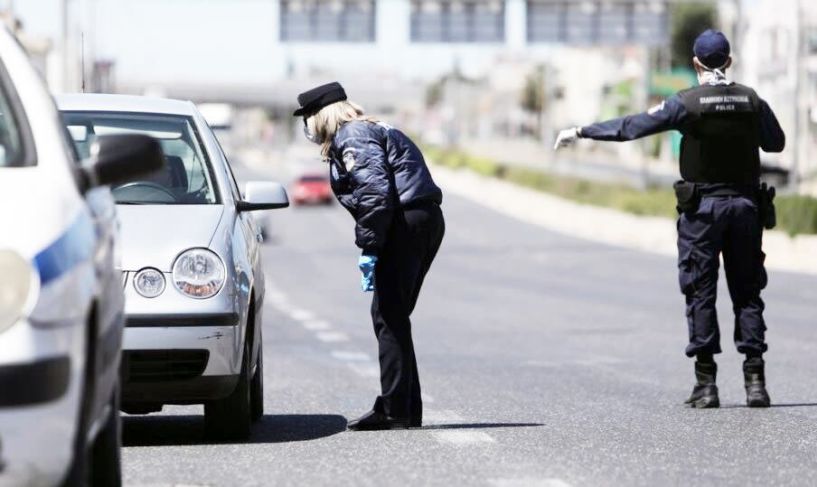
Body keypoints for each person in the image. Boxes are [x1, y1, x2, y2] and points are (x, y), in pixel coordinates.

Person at [553, 30, 785, 408]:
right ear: (729, 61)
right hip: (745, 208)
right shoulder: (751, 100)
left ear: (696, 63)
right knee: (747, 292)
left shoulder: (687, 104)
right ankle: (755, 382)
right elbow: (775, 143)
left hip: (703, 212)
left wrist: (582, 131)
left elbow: (633, 127)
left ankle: (706, 386)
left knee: (701, 291)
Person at [293, 82, 445, 429]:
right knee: (393, 316)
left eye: (308, 117)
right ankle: (404, 407)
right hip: (420, 218)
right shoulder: (371, 128)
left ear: (321, 115)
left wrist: (370, 247)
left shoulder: (353, 136)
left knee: (389, 317)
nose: (307, 127)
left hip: (404, 222)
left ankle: (394, 410)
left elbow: (375, 194)